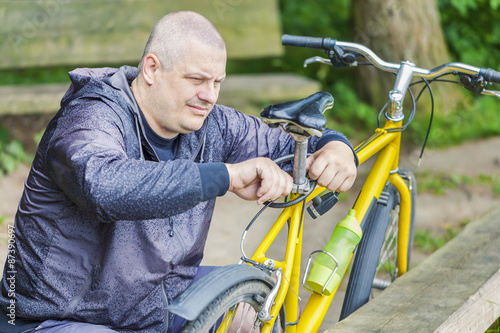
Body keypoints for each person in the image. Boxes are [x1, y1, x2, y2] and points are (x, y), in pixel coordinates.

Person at [0, 11, 357, 333]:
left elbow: (286, 144)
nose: (210, 96)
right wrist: (226, 176)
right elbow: (104, 185)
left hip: (154, 304)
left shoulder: (209, 124)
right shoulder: (90, 118)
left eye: (217, 82)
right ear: (152, 69)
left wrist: (336, 147)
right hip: (59, 316)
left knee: (258, 312)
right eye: (197, 79)